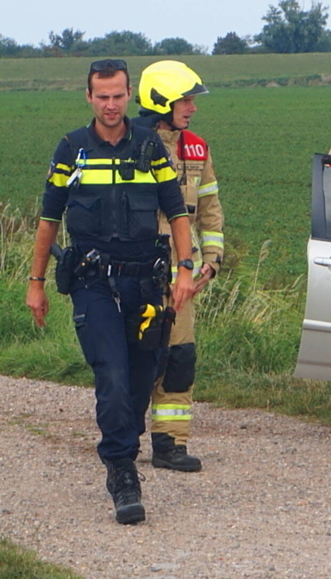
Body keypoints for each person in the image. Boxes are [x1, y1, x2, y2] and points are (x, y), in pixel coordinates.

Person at [25, 59, 195, 524]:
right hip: (93, 284)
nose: (111, 104)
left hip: (145, 284)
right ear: (89, 97)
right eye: (102, 96)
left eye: (118, 95)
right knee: (114, 378)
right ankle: (122, 471)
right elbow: (48, 220)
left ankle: (124, 444)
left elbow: (177, 213)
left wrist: (184, 270)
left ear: (128, 95)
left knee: (142, 378)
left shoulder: (149, 146)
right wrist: (35, 283)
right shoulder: (72, 149)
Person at [134, 61, 224, 473]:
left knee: (179, 358)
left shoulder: (197, 148)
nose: (192, 108)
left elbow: (210, 210)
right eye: (185, 100)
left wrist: (213, 259)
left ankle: (170, 444)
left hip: (183, 278)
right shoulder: (129, 145)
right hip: (136, 276)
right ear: (161, 102)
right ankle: (123, 435)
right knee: (134, 357)